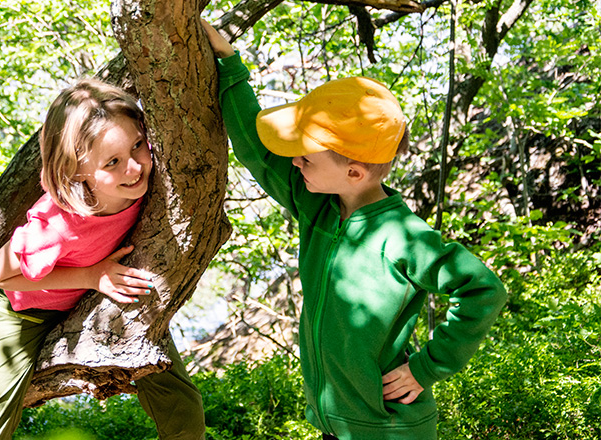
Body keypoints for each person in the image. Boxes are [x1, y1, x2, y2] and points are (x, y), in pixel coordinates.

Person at [201, 20, 507, 440]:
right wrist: (229, 65)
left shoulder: (403, 236)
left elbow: (484, 290)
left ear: (354, 171)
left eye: (305, 158)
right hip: (334, 424)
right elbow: (256, 151)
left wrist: (426, 366)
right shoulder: (317, 206)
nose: (294, 162)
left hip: (388, 430)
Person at [0, 78, 205, 440]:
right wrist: (90, 275)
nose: (135, 168)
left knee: (184, 410)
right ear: (77, 171)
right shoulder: (57, 224)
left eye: (138, 145)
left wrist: (97, 281)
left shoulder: (153, 182)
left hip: (101, 295)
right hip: (27, 306)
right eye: (113, 162)